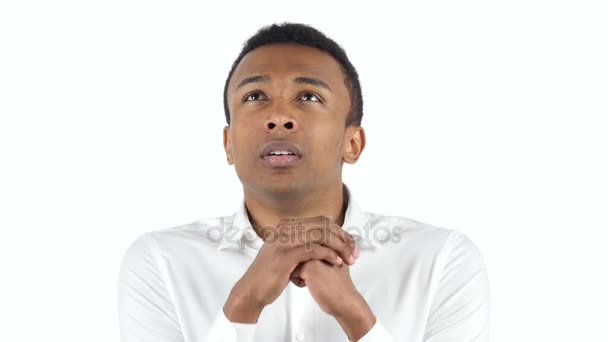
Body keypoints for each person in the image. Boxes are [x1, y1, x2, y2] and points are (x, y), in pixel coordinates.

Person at [117, 22, 490, 342]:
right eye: (255, 96)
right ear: (228, 144)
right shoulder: (160, 263)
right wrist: (243, 304)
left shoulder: (441, 261)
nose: (279, 117)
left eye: (308, 96)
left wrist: (356, 317)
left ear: (353, 143)